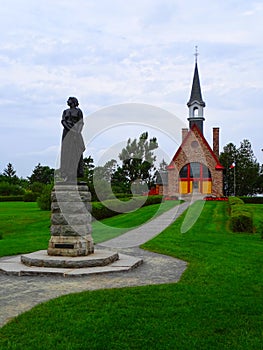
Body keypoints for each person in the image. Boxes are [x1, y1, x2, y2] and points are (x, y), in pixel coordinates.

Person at [60, 97, 85, 182]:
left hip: (76, 133)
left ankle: (74, 174)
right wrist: (70, 129)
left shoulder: (78, 111)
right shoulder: (65, 111)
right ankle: (65, 174)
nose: (67, 101)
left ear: (73, 101)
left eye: (69, 100)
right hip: (67, 133)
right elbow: (63, 121)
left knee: (75, 153)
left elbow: (81, 123)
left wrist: (76, 132)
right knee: (66, 153)